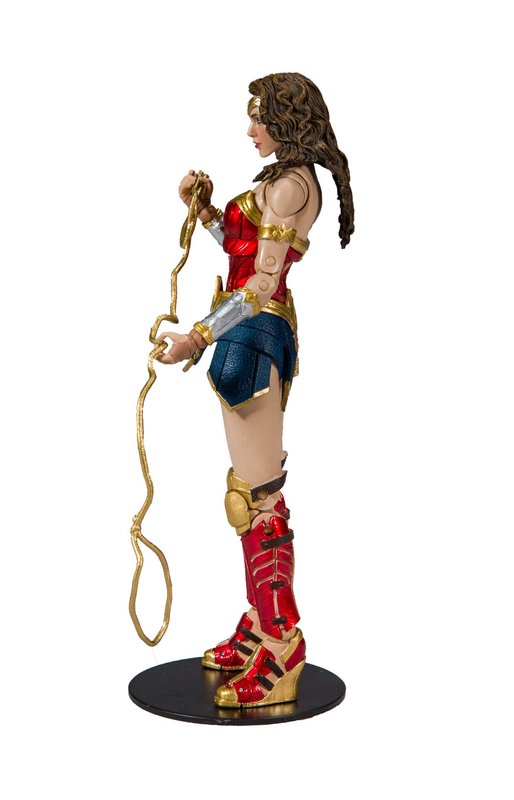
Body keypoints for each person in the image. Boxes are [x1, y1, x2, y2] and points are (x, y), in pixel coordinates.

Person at [156, 73, 354, 707]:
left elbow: (262, 285)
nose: (251, 129)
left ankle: (281, 642)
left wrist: (195, 337)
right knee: (250, 494)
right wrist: (206, 212)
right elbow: (241, 250)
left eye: (259, 116)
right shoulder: (281, 181)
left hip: (257, 335)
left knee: (257, 498)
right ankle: (261, 625)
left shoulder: (293, 185)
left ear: (283, 119)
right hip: (245, 336)